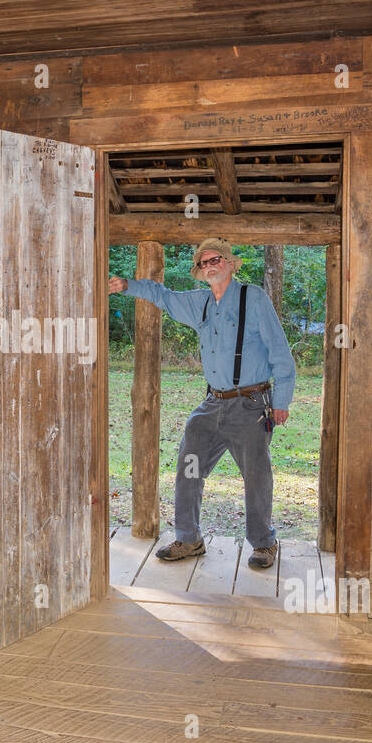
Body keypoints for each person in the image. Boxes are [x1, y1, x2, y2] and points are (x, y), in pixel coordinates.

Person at [108, 239, 296, 570]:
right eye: (204, 262)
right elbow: (162, 296)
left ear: (230, 263)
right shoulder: (201, 303)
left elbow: (281, 354)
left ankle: (264, 543)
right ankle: (190, 538)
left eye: (215, 259)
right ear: (200, 270)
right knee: (189, 465)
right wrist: (126, 286)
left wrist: (281, 401)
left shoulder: (253, 299)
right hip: (213, 404)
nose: (209, 265)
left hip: (251, 405)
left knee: (255, 476)